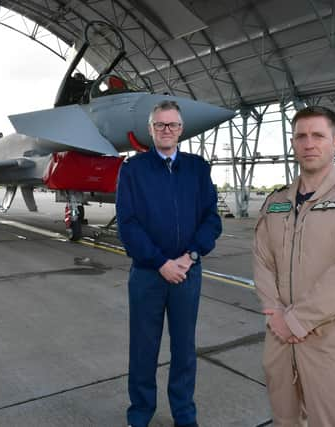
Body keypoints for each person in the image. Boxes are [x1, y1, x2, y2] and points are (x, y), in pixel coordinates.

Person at [253, 106, 335, 426]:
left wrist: (296, 320)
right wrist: (274, 312)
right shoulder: (276, 202)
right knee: (284, 420)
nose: (309, 143)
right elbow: (261, 258)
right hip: (280, 340)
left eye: (318, 135)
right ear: (292, 143)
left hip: (333, 343)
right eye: (301, 136)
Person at [116, 100, 222, 427]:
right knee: (143, 350)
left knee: (184, 350)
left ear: (180, 129)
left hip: (187, 273)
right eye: (160, 125)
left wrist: (189, 257)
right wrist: (160, 261)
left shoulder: (197, 168)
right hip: (148, 275)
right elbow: (128, 224)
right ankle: (140, 415)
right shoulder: (133, 170)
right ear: (151, 130)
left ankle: (184, 416)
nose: (166, 130)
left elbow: (211, 220)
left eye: (172, 125)